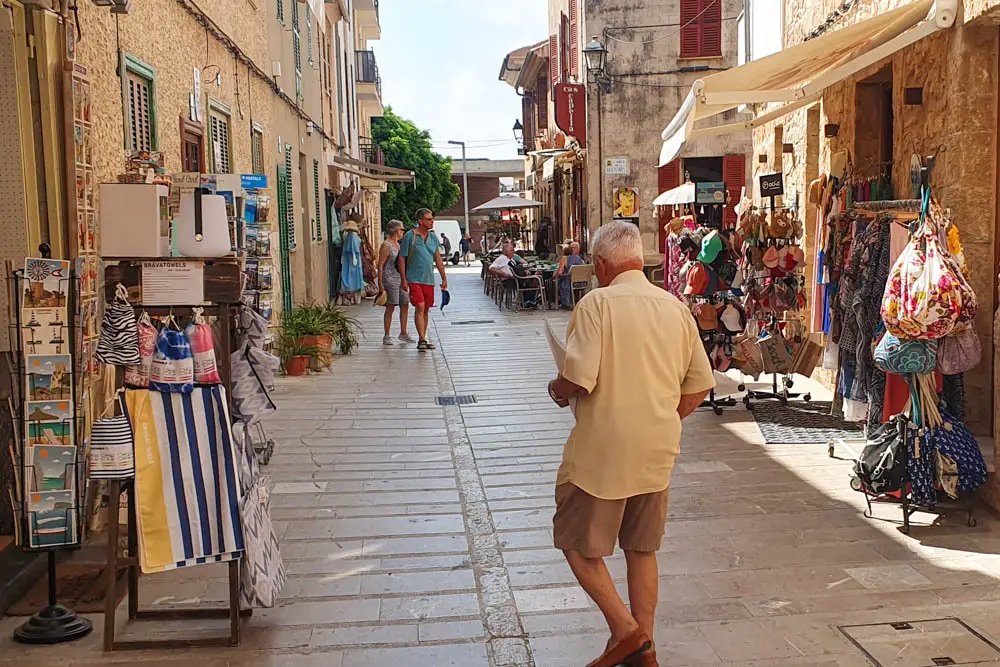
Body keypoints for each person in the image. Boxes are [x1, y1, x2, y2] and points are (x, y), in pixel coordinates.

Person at [547, 221, 715, 667]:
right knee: (642, 549)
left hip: (604, 451)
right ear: (640, 262)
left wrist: (556, 387)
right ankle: (647, 651)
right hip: (658, 447)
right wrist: (662, 417)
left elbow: (579, 378)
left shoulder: (596, 304)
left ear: (602, 265)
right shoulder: (675, 307)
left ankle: (628, 634)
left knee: (575, 543)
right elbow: (700, 385)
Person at [400, 208, 448, 351]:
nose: (432, 221)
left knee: (426, 308)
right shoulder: (410, 236)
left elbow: (437, 258)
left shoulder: (433, 237)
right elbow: (402, 258)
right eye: (428, 219)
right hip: (414, 278)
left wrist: (444, 277)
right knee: (419, 306)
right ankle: (421, 339)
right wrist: (403, 279)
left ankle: (424, 337)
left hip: (429, 279)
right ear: (420, 221)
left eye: (432, 219)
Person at [375, 220, 416, 346]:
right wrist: (381, 284)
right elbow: (380, 265)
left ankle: (403, 332)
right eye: (401, 230)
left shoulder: (398, 245)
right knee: (391, 306)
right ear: (396, 231)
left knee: (405, 304)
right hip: (389, 279)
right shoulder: (386, 246)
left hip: (400, 278)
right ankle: (387, 335)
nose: (402, 232)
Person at [490, 243, 537, 308]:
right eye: (511, 250)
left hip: (517, 278)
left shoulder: (511, 259)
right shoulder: (501, 259)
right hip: (510, 281)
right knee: (534, 281)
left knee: (534, 280)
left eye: (513, 250)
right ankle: (527, 301)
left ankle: (527, 301)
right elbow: (491, 268)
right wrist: (503, 273)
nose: (513, 252)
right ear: (506, 251)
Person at [554, 241, 585, 308]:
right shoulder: (581, 259)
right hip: (581, 282)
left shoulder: (564, 258)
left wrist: (555, 273)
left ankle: (560, 302)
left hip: (569, 282)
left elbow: (559, 272)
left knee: (554, 280)